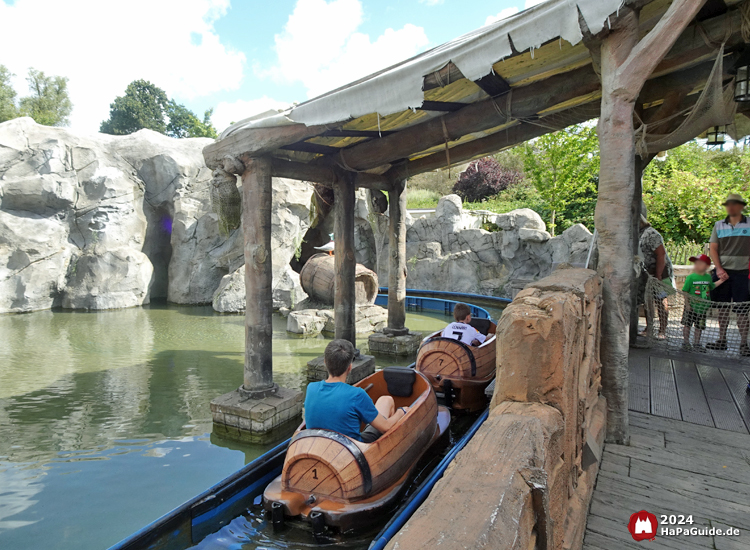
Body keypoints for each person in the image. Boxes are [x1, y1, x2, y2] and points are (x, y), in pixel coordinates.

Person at [304, 339, 408, 443]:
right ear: (349, 367)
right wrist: (401, 411)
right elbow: (386, 427)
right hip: (353, 451)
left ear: (325, 363)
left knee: (386, 400)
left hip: (319, 446)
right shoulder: (357, 395)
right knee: (388, 402)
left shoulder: (311, 388)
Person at [707, 194, 750, 355]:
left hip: (743, 273)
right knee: (722, 308)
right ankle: (721, 339)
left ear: (741, 206)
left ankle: (744, 344)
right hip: (723, 272)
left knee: (742, 309)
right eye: (728, 204)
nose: (731, 207)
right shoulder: (719, 225)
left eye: (734, 204)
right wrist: (718, 268)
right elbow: (713, 248)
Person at [639, 214, 674, 339]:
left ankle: (662, 330)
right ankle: (649, 327)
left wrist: (658, 275)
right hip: (647, 272)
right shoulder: (637, 234)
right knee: (647, 301)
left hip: (660, 271)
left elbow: (661, 255)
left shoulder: (651, 233)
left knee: (661, 299)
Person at [681, 254, 724, 351]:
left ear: (707, 266)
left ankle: (696, 343)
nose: (697, 265)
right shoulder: (691, 277)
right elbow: (685, 291)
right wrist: (687, 304)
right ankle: (686, 342)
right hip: (691, 307)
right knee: (687, 325)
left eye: (700, 263)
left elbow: (712, 286)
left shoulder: (708, 277)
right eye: (696, 263)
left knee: (699, 326)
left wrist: (722, 280)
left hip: (702, 308)